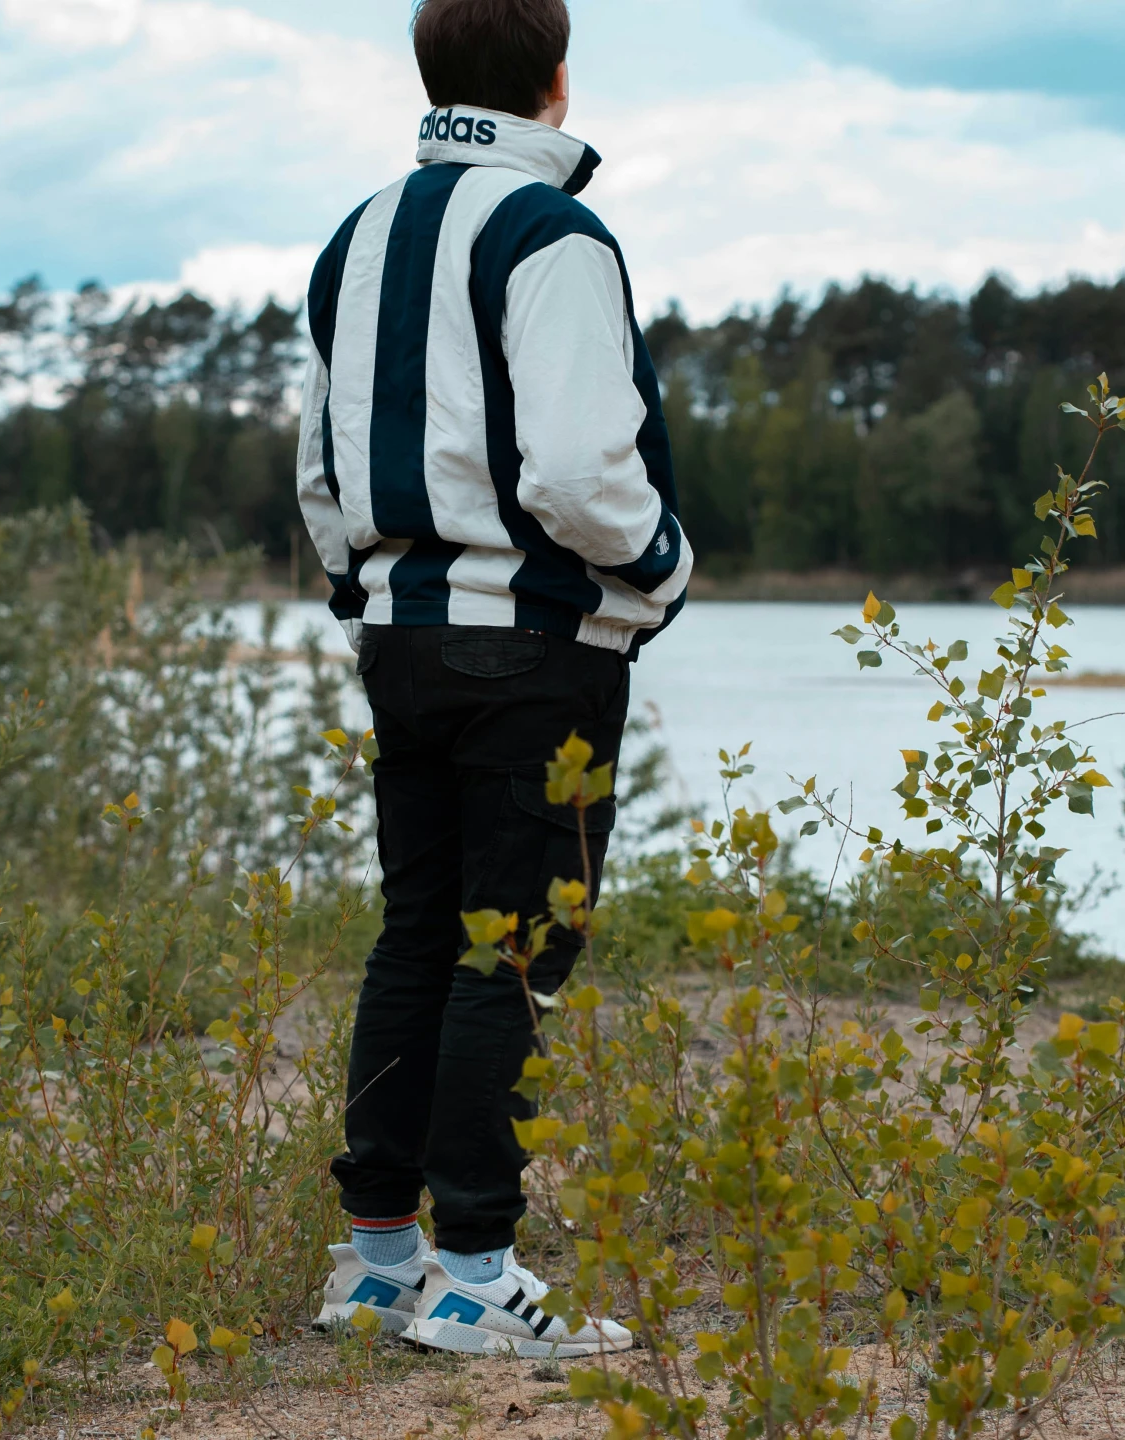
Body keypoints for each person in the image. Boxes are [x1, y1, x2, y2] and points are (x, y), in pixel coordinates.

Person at [294, 0, 691, 1359]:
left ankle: (376, 1264)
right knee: (509, 949)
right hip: (531, 646)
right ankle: (472, 1279)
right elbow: (578, 470)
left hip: (397, 637)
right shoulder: (551, 233)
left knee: (418, 934)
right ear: (554, 79)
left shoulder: (356, 237)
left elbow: (320, 471)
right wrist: (664, 566)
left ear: (432, 74)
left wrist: (372, 591)